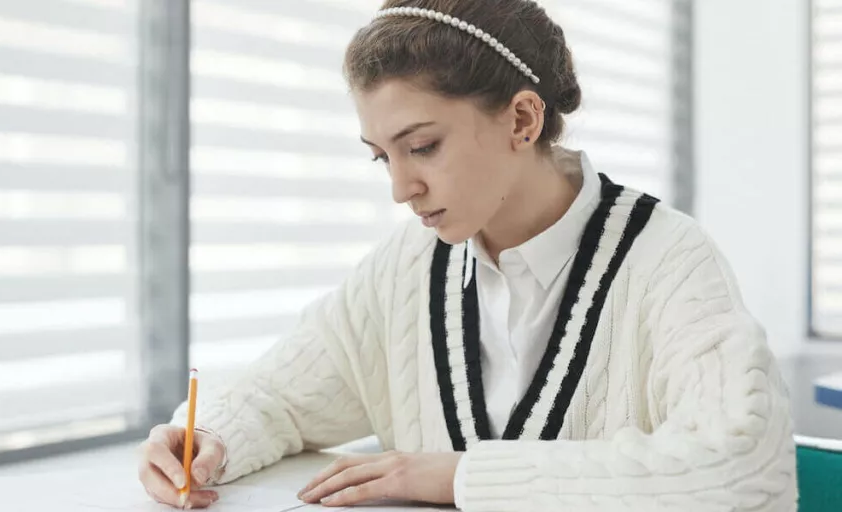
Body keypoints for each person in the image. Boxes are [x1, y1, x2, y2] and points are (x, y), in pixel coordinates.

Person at [138, 1, 798, 510]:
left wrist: (463, 476)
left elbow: (739, 465)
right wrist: (205, 442)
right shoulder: (405, 270)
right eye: (382, 157)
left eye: (422, 146)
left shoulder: (668, 261)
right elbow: (273, 397)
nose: (401, 188)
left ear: (521, 120)